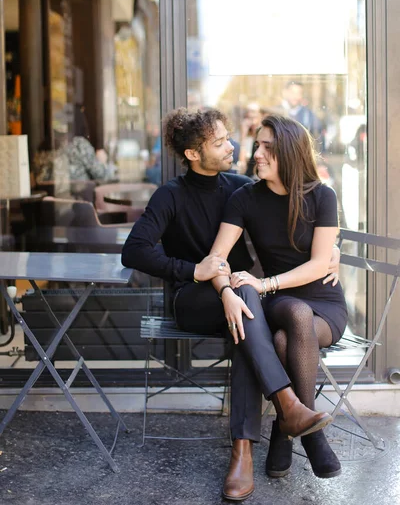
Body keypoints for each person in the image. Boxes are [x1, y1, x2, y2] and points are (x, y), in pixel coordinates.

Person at [121, 108, 340, 502]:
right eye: (221, 142)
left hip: (242, 298)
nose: (234, 146)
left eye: (229, 138)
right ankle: (288, 404)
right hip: (197, 299)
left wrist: (331, 251)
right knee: (246, 302)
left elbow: (291, 213)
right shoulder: (171, 195)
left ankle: (245, 453)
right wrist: (194, 272)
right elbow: (134, 251)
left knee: (245, 320)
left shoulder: (239, 188)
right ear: (192, 153)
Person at [210, 114, 347, 488]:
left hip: (324, 304)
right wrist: (226, 287)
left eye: (268, 147)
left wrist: (265, 282)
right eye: (258, 145)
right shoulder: (245, 198)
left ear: (290, 151)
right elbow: (217, 258)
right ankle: (311, 433)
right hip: (280, 302)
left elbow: (321, 263)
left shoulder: (322, 195)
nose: (258, 153)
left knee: (290, 334)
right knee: (286, 310)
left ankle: (286, 433)